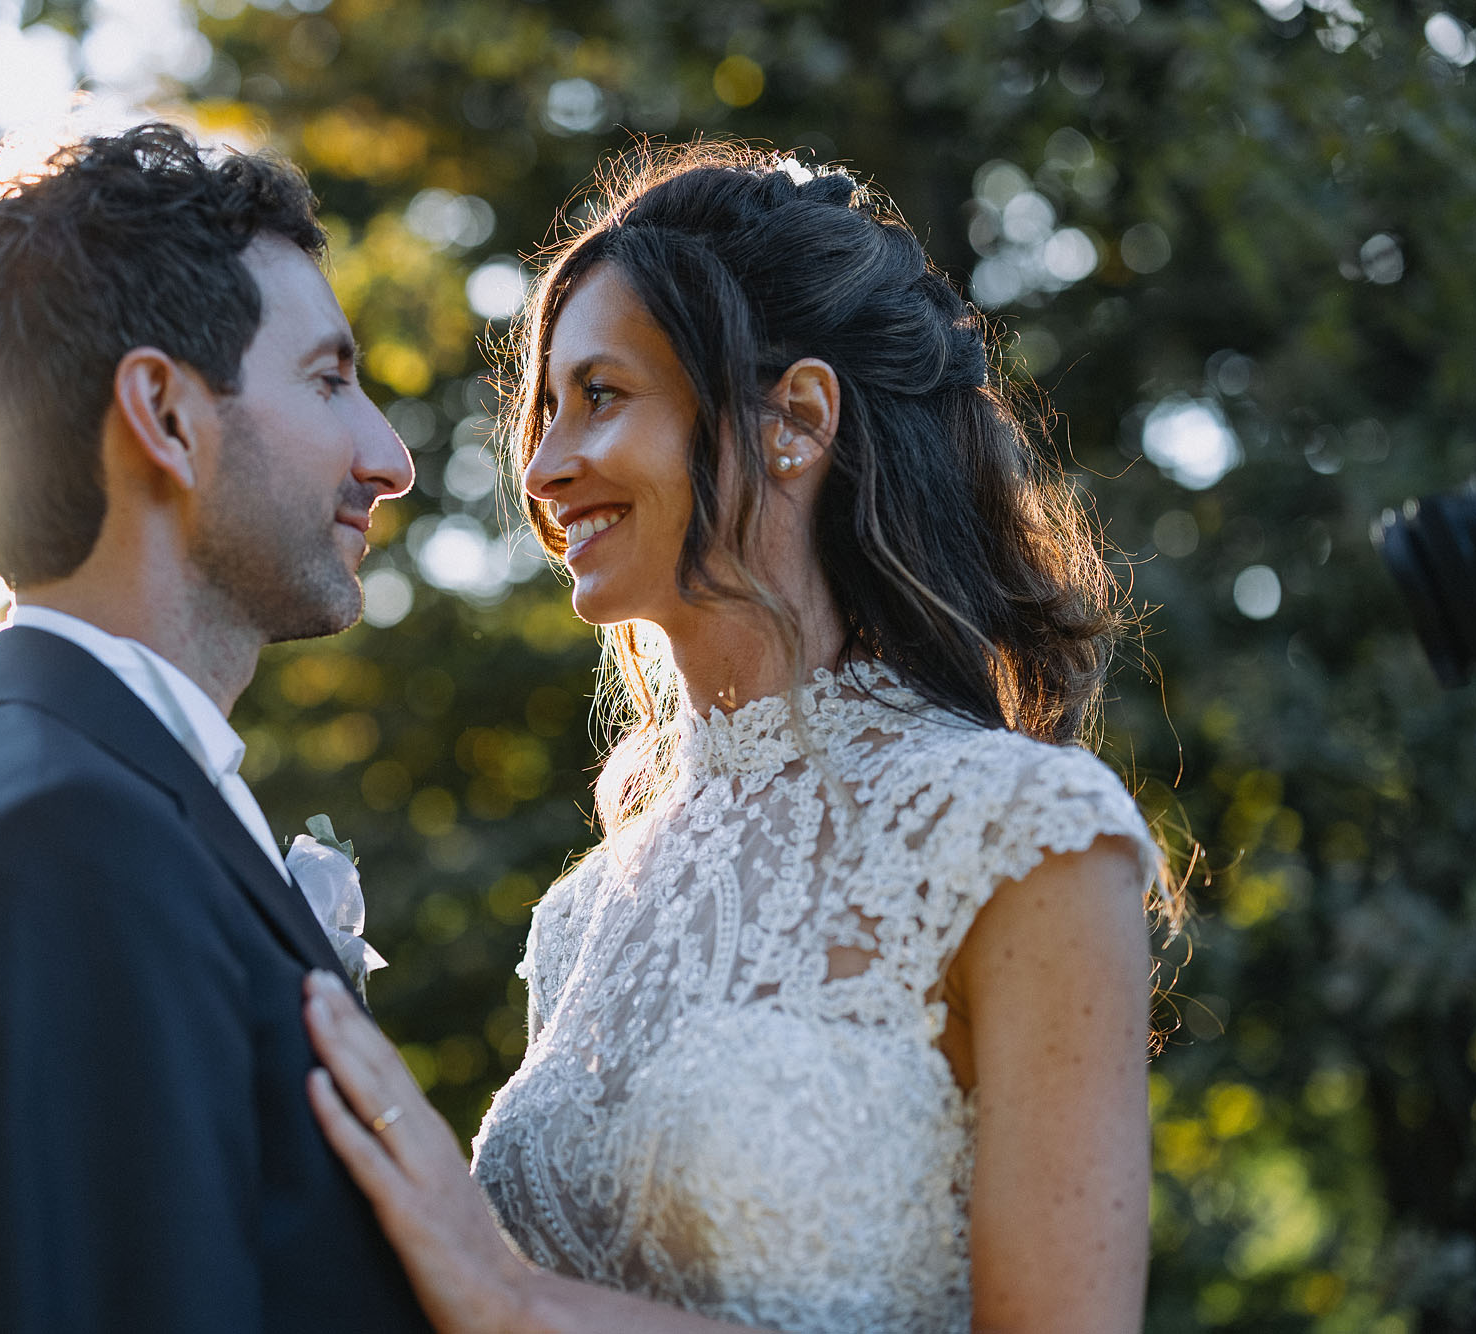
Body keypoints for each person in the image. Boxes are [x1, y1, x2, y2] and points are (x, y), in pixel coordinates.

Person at [299, 143, 1179, 1334]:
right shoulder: (579, 915)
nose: (545, 470)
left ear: (793, 419)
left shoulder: (1019, 836)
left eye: (598, 397)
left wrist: (513, 1300)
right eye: (544, 410)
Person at [0, 122, 432, 1333]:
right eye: (327, 380)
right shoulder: (54, 850)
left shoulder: (107, 804)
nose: (389, 456)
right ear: (163, 413)